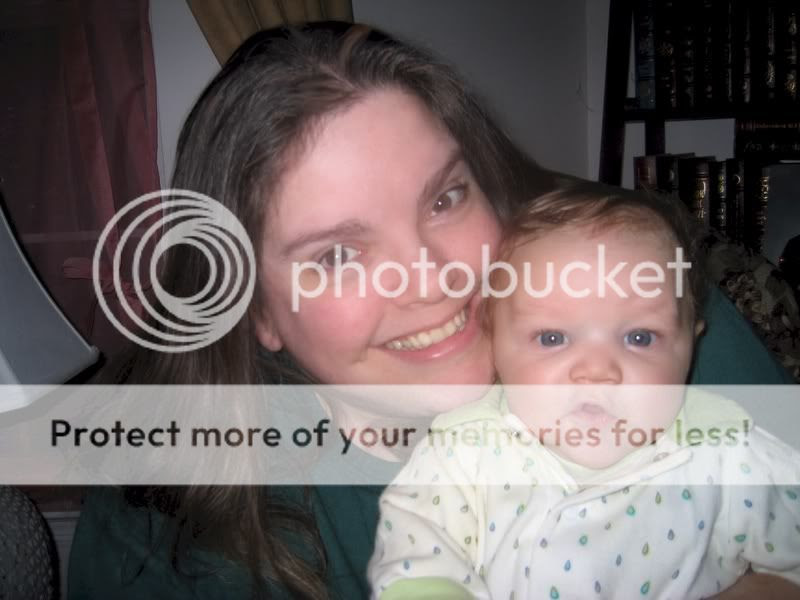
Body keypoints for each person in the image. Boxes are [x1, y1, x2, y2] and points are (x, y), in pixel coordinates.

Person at [67, 22, 797, 600]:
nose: (433, 279)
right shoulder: (166, 522)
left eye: (446, 198)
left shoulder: (639, 312)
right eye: (337, 255)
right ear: (258, 312)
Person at [369, 186, 800, 599]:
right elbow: (418, 559)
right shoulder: (463, 452)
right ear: (494, 341)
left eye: (640, 338)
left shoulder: (727, 451)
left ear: (691, 342)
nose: (597, 371)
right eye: (552, 338)